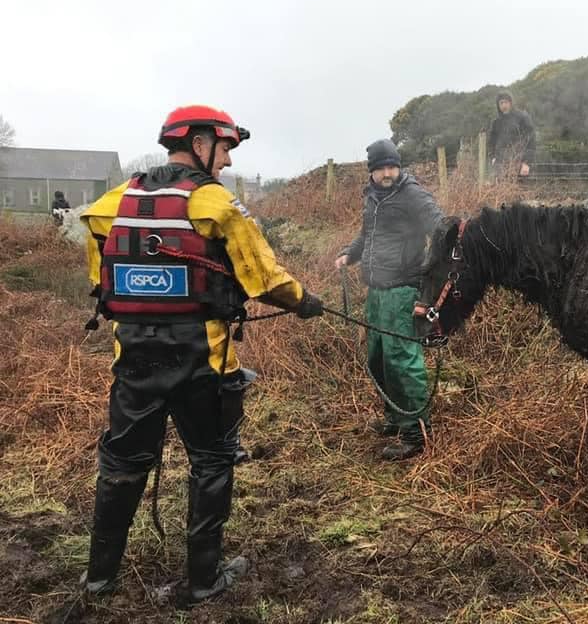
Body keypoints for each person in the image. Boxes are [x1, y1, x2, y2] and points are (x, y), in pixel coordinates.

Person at [79, 105, 325, 608]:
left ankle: (100, 579)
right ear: (198, 144)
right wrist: (305, 303)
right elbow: (267, 277)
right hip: (202, 361)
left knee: (123, 462)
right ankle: (203, 580)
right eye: (226, 149)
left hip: (134, 360)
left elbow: (97, 278)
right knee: (212, 460)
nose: (227, 162)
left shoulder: (111, 203)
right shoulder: (217, 205)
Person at [335, 139, 443, 460]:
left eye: (392, 166)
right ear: (371, 172)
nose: (387, 173)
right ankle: (397, 417)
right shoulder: (372, 195)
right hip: (376, 289)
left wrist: (430, 287)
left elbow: (441, 230)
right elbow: (367, 233)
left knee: (401, 359)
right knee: (378, 357)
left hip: (402, 289)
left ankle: (416, 433)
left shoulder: (412, 194)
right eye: (381, 168)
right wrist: (349, 254)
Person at [486, 91, 536, 180]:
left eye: (506, 102)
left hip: (519, 164)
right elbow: (491, 142)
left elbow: (531, 141)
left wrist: (526, 163)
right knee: (501, 192)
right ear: (498, 105)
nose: (504, 105)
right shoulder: (496, 122)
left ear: (511, 103)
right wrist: (493, 158)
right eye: (501, 103)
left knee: (520, 191)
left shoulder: (522, 117)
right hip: (500, 166)